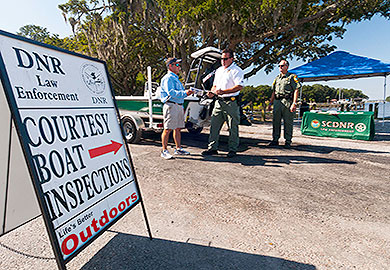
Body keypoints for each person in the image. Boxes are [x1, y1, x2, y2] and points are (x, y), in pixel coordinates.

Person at [201, 48, 244, 158]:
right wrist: (212, 92)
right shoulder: (219, 70)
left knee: (232, 127)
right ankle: (212, 148)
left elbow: (239, 86)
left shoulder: (237, 70)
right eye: (221, 59)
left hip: (231, 102)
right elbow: (215, 85)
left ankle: (232, 149)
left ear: (232, 59)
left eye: (225, 59)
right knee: (214, 126)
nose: (223, 61)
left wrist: (224, 91)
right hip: (218, 102)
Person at [160, 57, 193, 159]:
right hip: (171, 105)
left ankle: (178, 148)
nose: (179, 67)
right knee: (167, 128)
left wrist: (186, 93)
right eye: (177, 65)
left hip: (178, 106)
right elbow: (171, 93)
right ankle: (164, 150)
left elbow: (179, 93)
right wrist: (185, 93)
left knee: (178, 128)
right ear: (170, 66)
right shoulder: (168, 78)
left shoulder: (175, 79)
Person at [267, 60, 301, 149]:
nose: (280, 67)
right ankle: (275, 139)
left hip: (287, 101)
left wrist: (294, 103)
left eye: (282, 66)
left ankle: (288, 141)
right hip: (277, 101)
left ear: (287, 66)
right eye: (279, 66)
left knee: (288, 122)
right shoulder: (277, 78)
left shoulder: (292, 77)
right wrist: (270, 103)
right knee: (276, 121)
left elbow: (296, 89)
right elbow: (274, 91)